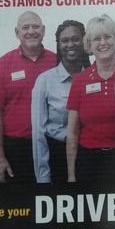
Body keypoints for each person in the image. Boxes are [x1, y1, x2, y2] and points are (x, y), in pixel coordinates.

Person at [0, 11, 57, 184]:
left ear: (43, 30)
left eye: (36, 26)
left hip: (52, 145)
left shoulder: (57, 62)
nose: (31, 31)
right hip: (16, 149)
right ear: (17, 32)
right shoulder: (4, 64)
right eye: (25, 27)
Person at [65, 15, 115, 181]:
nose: (103, 43)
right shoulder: (80, 81)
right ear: (89, 45)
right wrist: (71, 175)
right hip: (88, 162)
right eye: (96, 39)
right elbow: (72, 132)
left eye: (107, 36)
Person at [31, 20, 91, 183]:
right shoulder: (45, 80)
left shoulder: (95, 78)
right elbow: (38, 134)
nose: (70, 44)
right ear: (58, 44)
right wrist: (43, 177)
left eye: (75, 39)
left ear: (84, 41)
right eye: (64, 40)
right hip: (57, 157)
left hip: (90, 156)